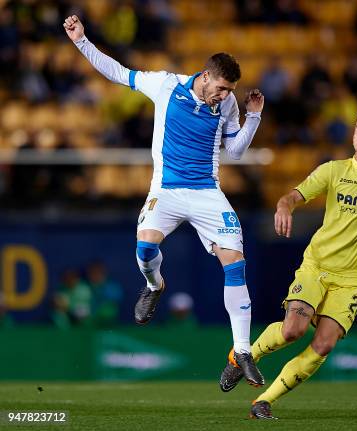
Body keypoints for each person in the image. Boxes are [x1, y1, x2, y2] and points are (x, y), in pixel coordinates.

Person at [63, 15, 265, 386]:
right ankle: (155, 286)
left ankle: (242, 351)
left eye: (229, 90)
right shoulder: (165, 85)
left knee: (235, 264)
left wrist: (253, 116)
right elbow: (118, 72)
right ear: (205, 76)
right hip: (167, 190)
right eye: (221, 88)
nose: (224, 95)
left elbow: (234, 151)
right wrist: (81, 41)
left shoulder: (230, 103)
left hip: (207, 192)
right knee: (144, 251)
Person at [219, 109, 357, 418]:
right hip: (317, 266)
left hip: (353, 278)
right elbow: (293, 196)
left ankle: (263, 402)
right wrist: (283, 206)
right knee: (293, 331)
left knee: (324, 344)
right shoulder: (333, 170)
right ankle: (241, 357)